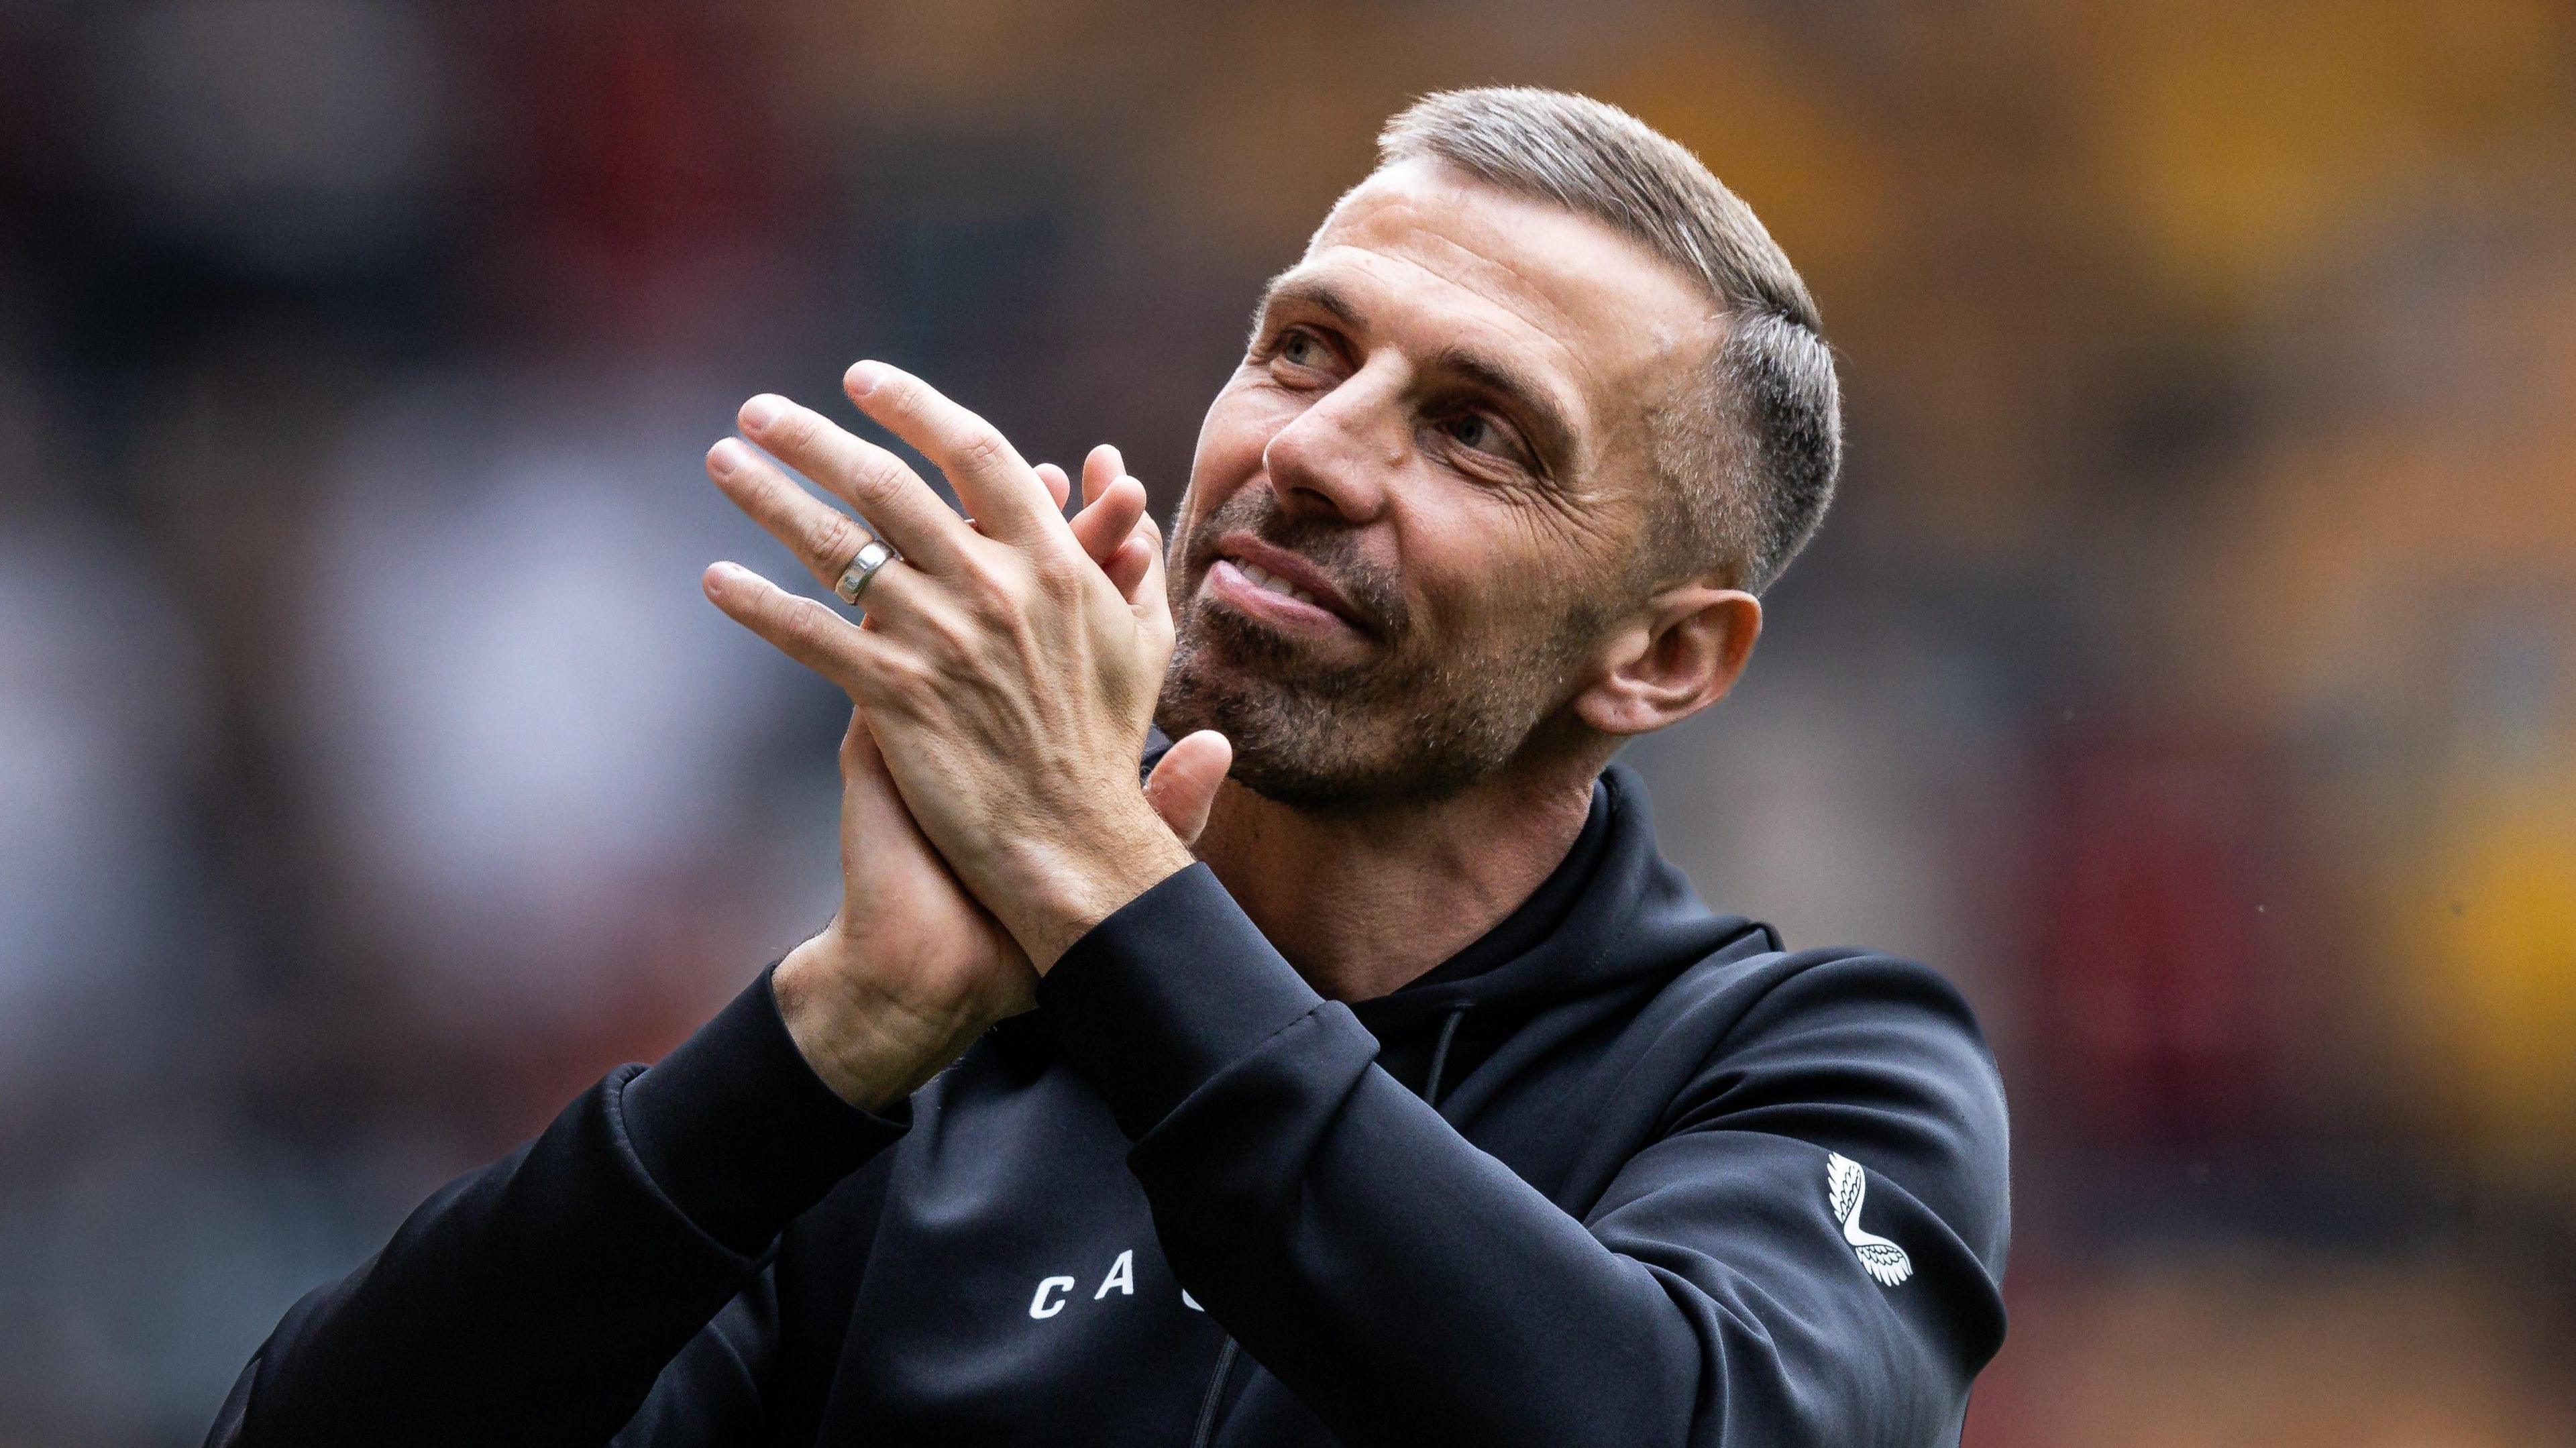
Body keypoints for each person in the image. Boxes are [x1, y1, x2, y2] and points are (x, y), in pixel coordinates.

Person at [208, 87, 2008, 1447]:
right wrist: (822, 1037)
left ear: (1666, 656)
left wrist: (1094, 877)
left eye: (1476, 430)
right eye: (1304, 348)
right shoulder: (913, 1103)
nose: (1312, 451)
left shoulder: (1821, 1076)